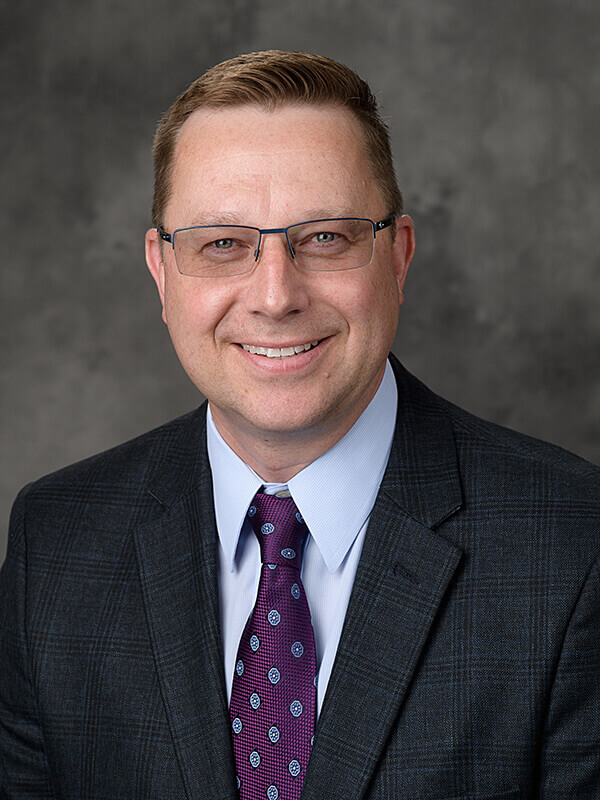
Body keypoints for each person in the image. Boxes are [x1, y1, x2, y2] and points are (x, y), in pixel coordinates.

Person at [0, 50, 598, 800]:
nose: (275, 296)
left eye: (326, 238)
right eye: (222, 244)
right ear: (161, 271)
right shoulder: (56, 543)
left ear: (399, 256)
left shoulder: (574, 545)